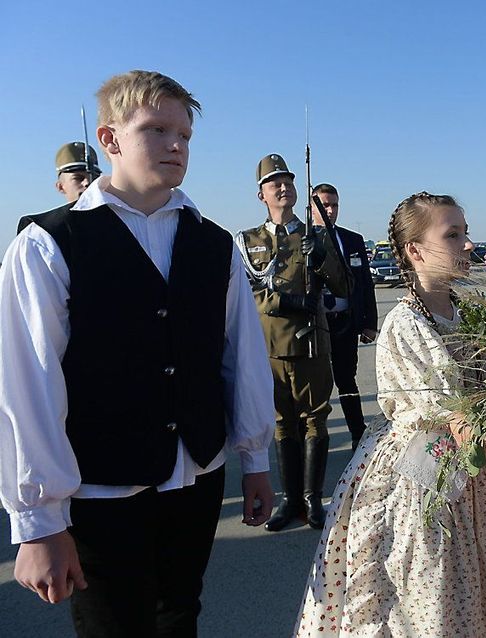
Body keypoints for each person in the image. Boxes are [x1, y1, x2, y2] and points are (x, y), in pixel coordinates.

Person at [0, 70, 275, 636]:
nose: (176, 145)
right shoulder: (49, 244)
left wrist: (255, 461)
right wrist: (38, 522)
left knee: (180, 616)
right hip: (101, 490)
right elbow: (27, 385)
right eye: (156, 129)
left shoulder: (214, 243)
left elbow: (239, 358)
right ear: (110, 139)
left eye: (185, 134)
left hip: (196, 477)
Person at [295, 192, 486, 637]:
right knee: (431, 601)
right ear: (414, 250)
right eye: (452, 234)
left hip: (474, 475)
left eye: (465, 233)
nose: (468, 244)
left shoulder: (468, 313)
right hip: (423, 483)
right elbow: (459, 417)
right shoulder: (405, 323)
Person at [237, 155, 350, 532]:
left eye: (287, 180)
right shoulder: (248, 241)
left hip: (311, 345)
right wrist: (287, 301)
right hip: (270, 347)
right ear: (261, 194)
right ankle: (289, 501)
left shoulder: (316, 235)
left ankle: (313, 500)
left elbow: (342, 285)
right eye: (274, 183)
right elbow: (247, 292)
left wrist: (322, 261)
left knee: (316, 420)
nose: (282, 187)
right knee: (283, 424)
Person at [310, 182, 378, 452]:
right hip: (316, 326)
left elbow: (365, 283)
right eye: (324, 204)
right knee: (317, 384)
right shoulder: (303, 240)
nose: (330, 210)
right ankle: (316, 437)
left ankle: (357, 433)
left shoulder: (352, 240)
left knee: (346, 379)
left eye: (334, 204)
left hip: (345, 323)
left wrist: (369, 323)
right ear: (312, 206)